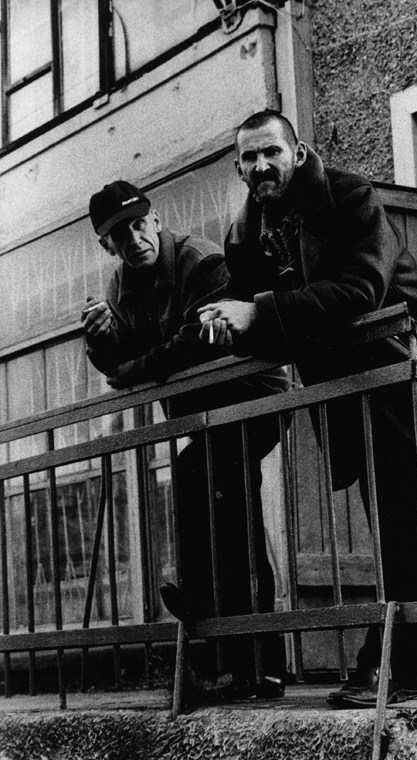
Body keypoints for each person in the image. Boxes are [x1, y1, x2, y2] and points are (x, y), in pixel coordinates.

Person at [198, 109, 417, 706]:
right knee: (406, 521)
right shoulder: (247, 231)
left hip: (407, 369)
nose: (261, 165)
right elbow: (252, 315)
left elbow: (360, 289)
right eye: (249, 157)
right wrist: (225, 323)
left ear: (297, 155)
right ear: (239, 168)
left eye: (272, 151)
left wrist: (258, 312)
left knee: (405, 519)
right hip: (358, 389)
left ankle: (405, 664)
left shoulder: (349, 197)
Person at [82, 180, 287, 700]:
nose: (134, 239)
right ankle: (239, 659)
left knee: (211, 492)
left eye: (139, 225)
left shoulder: (201, 260)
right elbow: (121, 362)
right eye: (119, 235)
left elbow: (196, 342)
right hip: (204, 417)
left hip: (252, 397)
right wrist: (100, 341)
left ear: (154, 220)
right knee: (220, 506)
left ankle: (242, 651)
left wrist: (133, 367)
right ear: (107, 245)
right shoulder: (119, 287)